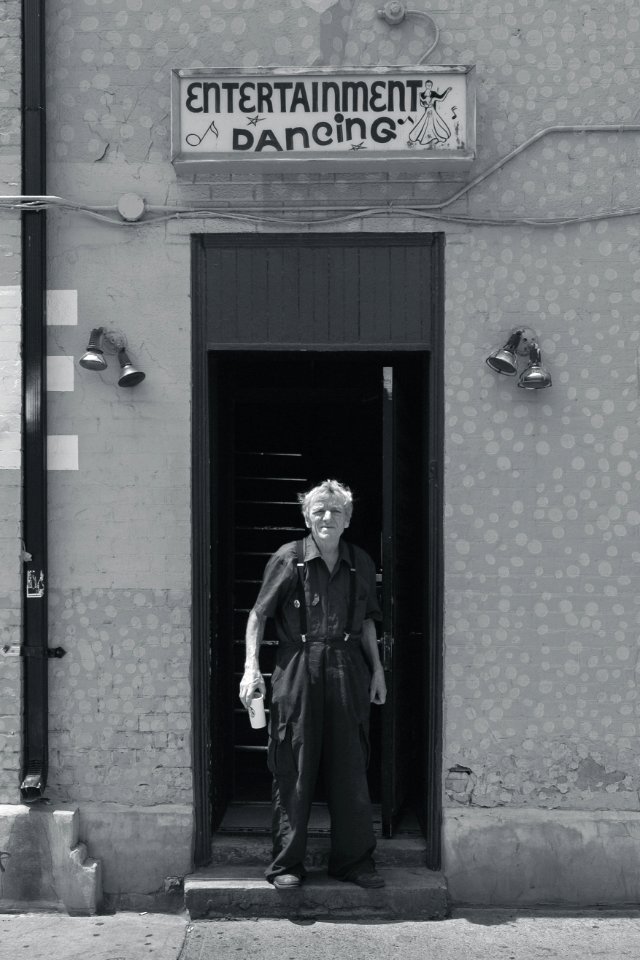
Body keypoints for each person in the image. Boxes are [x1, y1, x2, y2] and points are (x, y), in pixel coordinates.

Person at [239, 479, 387, 890]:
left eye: (335, 511)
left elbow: (369, 620)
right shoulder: (289, 559)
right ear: (306, 516)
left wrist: (377, 670)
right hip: (299, 667)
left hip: (347, 668)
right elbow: (258, 615)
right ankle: (287, 865)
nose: (326, 517)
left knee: (351, 765)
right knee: (294, 764)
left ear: (348, 519)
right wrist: (252, 668)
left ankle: (354, 862)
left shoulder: (361, 562)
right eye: (319, 510)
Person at [408, 79, 452, 146]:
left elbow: (441, 98)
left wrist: (446, 91)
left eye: (430, 85)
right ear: (425, 85)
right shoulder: (422, 94)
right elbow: (422, 103)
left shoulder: (433, 94)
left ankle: (437, 137)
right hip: (427, 111)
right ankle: (427, 138)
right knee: (426, 124)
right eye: (427, 85)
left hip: (432, 111)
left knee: (435, 124)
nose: (429, 86)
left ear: (431, 86)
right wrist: (424, 103)